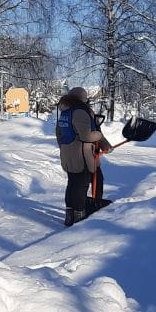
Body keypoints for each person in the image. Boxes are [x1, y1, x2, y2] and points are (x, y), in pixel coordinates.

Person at [54, 87, 112, 227]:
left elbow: (59, 134)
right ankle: (80, 215)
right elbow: (88, 135)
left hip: (69, 154)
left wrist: (104, 144)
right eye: (86, 98)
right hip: (82, 155)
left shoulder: (65, 112)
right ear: (82, 98)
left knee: (73, 183)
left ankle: (70, 214)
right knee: (81, 185)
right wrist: (98, 136)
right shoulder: (79, 111)